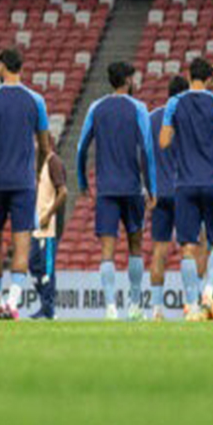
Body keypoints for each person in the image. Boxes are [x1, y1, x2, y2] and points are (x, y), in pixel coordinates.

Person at [159, 57, 213, 320]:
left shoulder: (175, 103)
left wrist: (180, 130)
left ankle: (192, 305)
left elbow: (164, 141)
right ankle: (209, 291)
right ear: (210, 78)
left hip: (185, 183)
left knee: (188, 246)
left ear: (188, 75)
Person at [0, 48, 53, 321]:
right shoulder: (36, 101)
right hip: (23, 182)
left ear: (1, 67)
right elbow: (45, 145)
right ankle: (14, 303)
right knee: (21, 244)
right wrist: (39, 171)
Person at [75, 61, 157, 320]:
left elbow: (80, 149)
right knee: (135, 245)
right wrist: (152, 188)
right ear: (128, 80)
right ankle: (134, 305)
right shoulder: (139, 108)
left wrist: (82, 181)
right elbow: (147, 151)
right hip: (132, 187)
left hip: (106, 189)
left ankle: (110, 307)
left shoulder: (96, 108)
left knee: (107, 249)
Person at [147, 75, 186, 320]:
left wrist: (147, 189)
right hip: (184, 191)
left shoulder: (151, 119)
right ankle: (193, 303)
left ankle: (156, 309)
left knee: (159, 250)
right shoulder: (188, 119)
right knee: (191, 249)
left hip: (159, 193)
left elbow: (142, 155)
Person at [28, 144, 68, 320]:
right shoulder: (39, 165)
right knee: (33, 265)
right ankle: (46, 305)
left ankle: (49, 308)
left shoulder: (54, 163)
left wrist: (49, 215)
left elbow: (63, 192)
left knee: (47, 268)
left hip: (49, 227)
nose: (34, 147)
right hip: (37, 227)